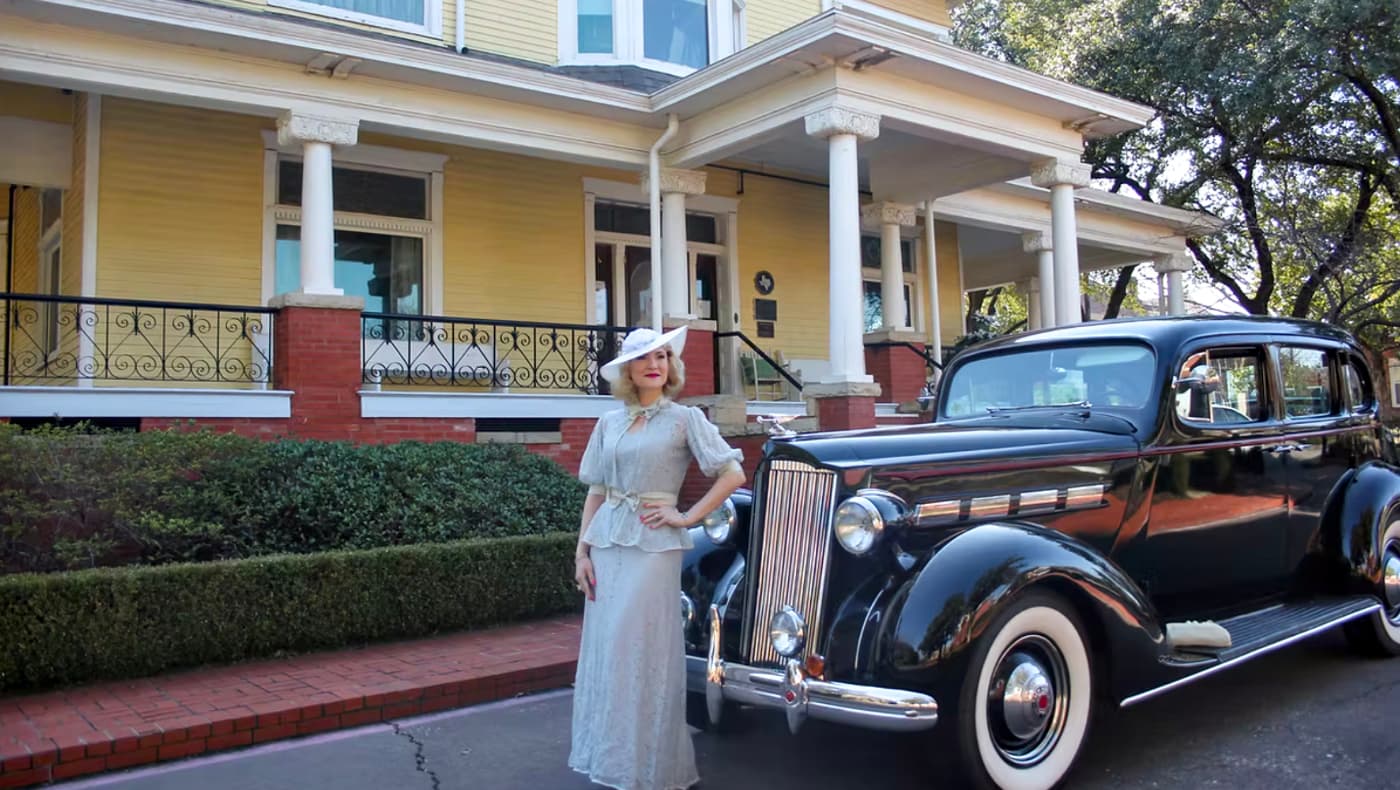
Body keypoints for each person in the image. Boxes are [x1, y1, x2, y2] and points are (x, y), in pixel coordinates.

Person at [568, 326, 746, 790]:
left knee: (639, 650)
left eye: (664, 356)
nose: (656, 364)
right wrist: (581, 551)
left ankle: (649, 769)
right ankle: (614, 763)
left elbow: (731, 472)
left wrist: (686, 516)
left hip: (655, 547)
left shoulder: (686, 420)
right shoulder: (609, 423)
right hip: (608, 544)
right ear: (628, 369)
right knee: (608, 651)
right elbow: (598, 492)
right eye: (646, 357)